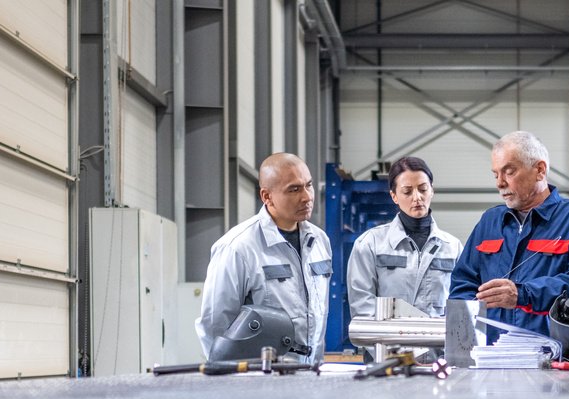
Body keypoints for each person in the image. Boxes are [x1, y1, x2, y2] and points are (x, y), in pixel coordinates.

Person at [449, 131, 569, 339]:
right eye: (496, 174)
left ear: (540, 170)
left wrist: (522, 295)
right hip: (493, 354)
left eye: (509, 172)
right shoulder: (490, 221)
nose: (500, 183)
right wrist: (464, 342)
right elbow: (463, 283)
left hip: (557, 356)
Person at [195, 152, 332, 362]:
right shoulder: (238, 248)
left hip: (311, 372)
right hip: (260, 377)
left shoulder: (319, 241)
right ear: (267, 196)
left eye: (309, 185)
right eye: (294, 189)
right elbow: (215, 326)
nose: (307, 197)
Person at [346, 157, 463, 318]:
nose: (417, 197)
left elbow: (460, 304)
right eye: (407, 191)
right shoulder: (370, 244)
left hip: (437, 342)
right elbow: (363, 307)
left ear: (432, 190)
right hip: (390, 342)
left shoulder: (453, 247)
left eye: (423, 189)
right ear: (394, 196)